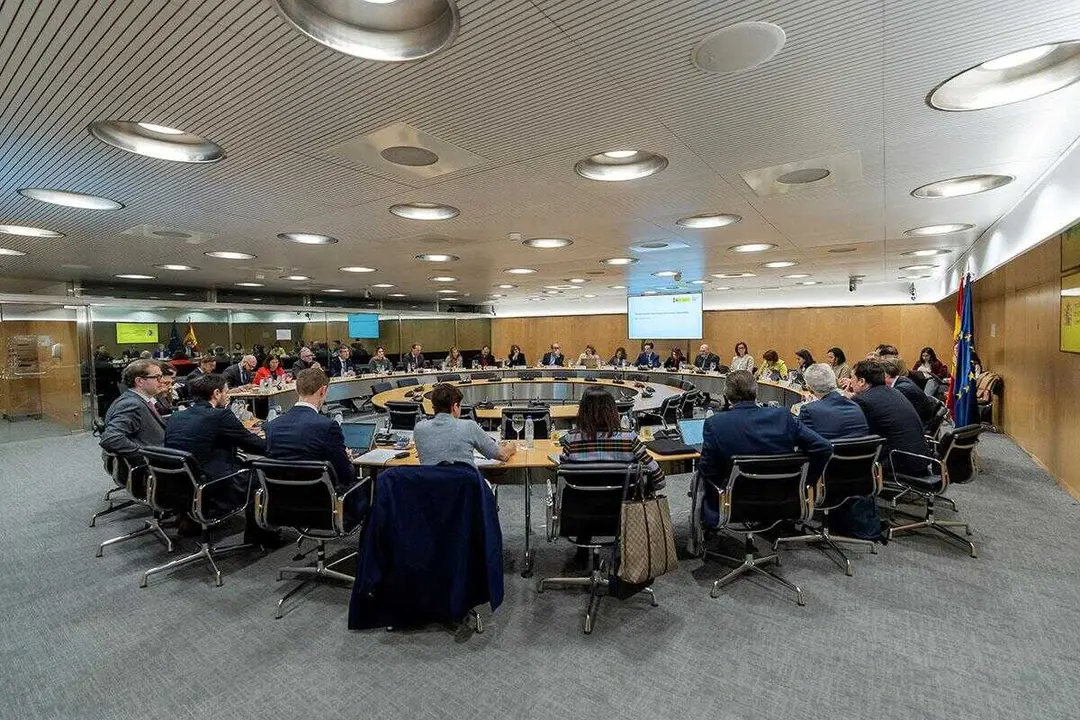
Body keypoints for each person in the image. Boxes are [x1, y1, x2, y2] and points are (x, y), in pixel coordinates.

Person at [698, 371, 831, 527]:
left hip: (734, 502)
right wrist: (806, 482)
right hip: (784, 497)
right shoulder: (782, 416)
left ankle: (699, 540)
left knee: (698, 480)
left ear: (726, 394)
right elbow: (824, 447)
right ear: (756, 391)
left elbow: (707, 469)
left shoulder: (715, 423)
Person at [163, 374, 276, 544]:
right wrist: (279, 446)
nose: (228, 395)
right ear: (216, 393)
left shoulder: (176, 416)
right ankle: (259, 536)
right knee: (261, 474)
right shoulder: (221, 416)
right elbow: (253, 445)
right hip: (213, 484)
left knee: (240, 462)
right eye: (226, 391)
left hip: (180, 483)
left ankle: (192, 520)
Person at [264, 368, 366, 525]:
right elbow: (345, 475)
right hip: (325, 507)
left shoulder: (272, 426)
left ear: (297, 389)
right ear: (323, 390)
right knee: (373, 485)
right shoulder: (327, 426)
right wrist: (347, 459)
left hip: (283, 506)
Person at [798, 364, 883, 541]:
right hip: (860, 477)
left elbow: (802, 447)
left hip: (825, 480)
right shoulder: (855, 406)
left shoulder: (809, 410)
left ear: (810, 387)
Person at [560, 386, 665, 491]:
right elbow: (659, 480)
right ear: (613, 410)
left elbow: (564, 475)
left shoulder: (571, 439)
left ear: (582, 411)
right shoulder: (629, 438)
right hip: (624, 504)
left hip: (580, 504)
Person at [844, 360, 930, 478]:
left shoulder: (863, 401)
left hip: (898, 461)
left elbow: (858, 432)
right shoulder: (894, 391)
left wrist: (846, 402)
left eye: (852, 378)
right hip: (921, 457)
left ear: (862, 381)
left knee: (846, 453)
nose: (851, 381)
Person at [413, 384, 516, 467]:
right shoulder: (469, 426)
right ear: (455, 407)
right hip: (466, 490)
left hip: (432, 490)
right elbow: (502, 455)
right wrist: (511, 447)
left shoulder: (419, 429)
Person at [99, 359, 167, 464]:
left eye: (161, 376)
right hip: (154, 464)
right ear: (139, 381)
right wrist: (144, 455)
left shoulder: (135, 399)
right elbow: (111, 438)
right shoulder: (132, 404)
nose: (162, 381)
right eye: (157, 377)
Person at [799, 364, 869, 439]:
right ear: (835, 381)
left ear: (809, 389)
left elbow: (799, 439)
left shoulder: (808, 410)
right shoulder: (855, 407)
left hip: (827, 450)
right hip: (859, 450)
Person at [882, 359, 937, 428]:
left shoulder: (901, 389)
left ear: (886, 375)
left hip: (917, 426)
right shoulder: (902, 380)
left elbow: (897, 415)